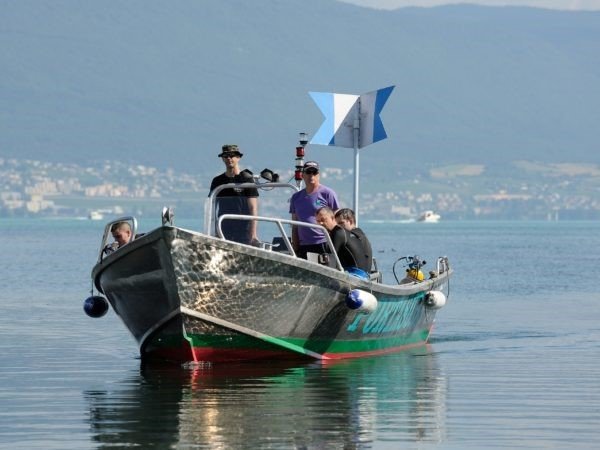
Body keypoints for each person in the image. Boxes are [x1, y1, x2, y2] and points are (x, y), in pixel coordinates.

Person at [209, 144, 259, 245]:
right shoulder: (217, 181)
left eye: (232, 156)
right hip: (223, 227)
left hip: (243, 229)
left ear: (238, 157)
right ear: (222, 159)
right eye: (226, 156)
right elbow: (212, 207)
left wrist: (253, 234)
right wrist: (213, 231)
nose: (229, 159)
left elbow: (253, 208)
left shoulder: (246, 179)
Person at [289, 161, 339, 259]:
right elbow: (295, 225)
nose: (311, 175)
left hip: (324, 243)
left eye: (314, 172)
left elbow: (336, 221)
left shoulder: (328, 194)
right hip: (304, 245)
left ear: (318, 175)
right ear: (303, 175)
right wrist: (295, 247)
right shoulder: (296, 197)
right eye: (308, 172)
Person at [315, 207, 370, 274]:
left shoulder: (339, 232)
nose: (321, 223)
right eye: (318, 221)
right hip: (357, 272)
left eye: (323, 220)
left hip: (356, 274)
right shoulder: (342, 232)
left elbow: (331, 257)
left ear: (332, 218)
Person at [335, 208, 373, 272]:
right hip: (365, 274)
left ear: (351, 221)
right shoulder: (361, 234)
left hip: (356, 274)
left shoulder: (351, 237)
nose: (338, 226)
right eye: (337, 224)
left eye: (341, 223)